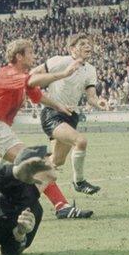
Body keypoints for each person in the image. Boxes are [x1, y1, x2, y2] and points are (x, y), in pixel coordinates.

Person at [0, 38, 92, 219]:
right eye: (30, 53)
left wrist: (59, 107)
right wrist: (63, 73)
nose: (34, 56)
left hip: (1, 129)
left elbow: (38, 96)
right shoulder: (7, 73)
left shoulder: (22, 77)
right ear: (19, 56)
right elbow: (33, 81)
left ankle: (61, 206)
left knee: (35, 165)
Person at [32, 33, 109, 194]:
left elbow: (91, 96)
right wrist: (37, 94)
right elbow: (33, 74)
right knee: (80, 141)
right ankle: (79, 182)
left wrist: (98, 102)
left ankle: (29, 187)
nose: (88, 46)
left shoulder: (90, 70)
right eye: (82, 44)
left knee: (56, 161)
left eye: (89, 43)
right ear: (72, 49)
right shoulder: (59, 61)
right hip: (52, 113)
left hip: (71, 116)